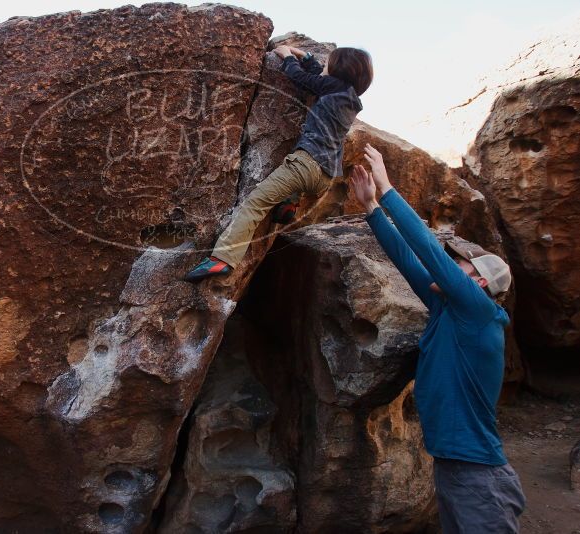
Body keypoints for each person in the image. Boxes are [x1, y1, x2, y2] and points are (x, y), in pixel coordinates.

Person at [351, 143, 526, 533]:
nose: (451, 266)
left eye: (459, 264)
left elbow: (429, 251)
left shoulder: (479, 313)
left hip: (480, 480)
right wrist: (371, 208)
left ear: (478, 281)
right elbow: (408, 259)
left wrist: (387, 187)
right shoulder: (447, 310)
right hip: (455, 469)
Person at [184, 45, 373, 282]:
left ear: (337, 72)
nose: (323, 66)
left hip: (304, 165)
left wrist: (286, 56)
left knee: (255, 203)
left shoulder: (331, 87)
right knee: (292, 185)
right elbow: (317, 75)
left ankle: (222, 259)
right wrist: (302, 54)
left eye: (329, 64)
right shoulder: (348, 97)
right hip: (324, 177)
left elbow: (301, 78)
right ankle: (288, 206)